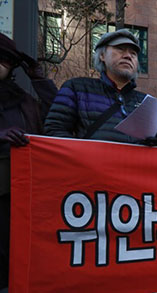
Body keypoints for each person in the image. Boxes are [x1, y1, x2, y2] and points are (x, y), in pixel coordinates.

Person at [0, 32, 57, 291]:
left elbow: (58, 116)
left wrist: (39, 79)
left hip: (19, 200)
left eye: (5, 60)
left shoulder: (24, 101)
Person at [44, 29, 146, 143]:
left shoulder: (146, 102)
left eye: (133, 53)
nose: (128, 56)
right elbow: (54, 130)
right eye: (120, 49)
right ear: (102, 56)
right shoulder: (77, 88)